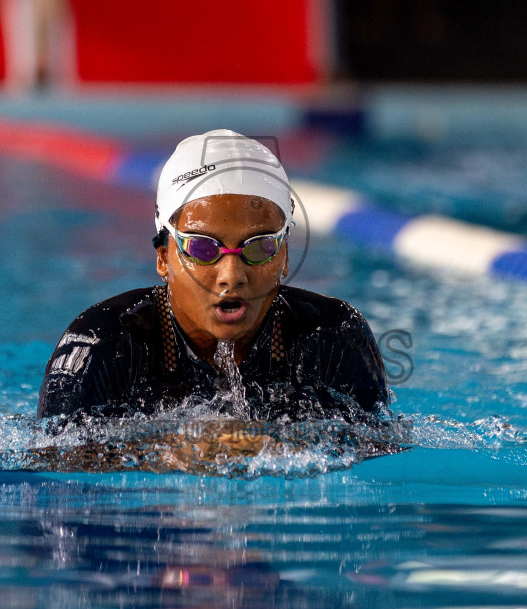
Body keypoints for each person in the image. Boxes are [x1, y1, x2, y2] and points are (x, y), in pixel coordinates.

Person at [38, 130, 389, 425]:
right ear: (164, 258)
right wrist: (170, 455)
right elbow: (55, 471)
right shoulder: (101, 347)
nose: (231, 275)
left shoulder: (333, 338)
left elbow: (382, 452)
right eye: (203, 249)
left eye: (259, 247)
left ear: (283, 256)